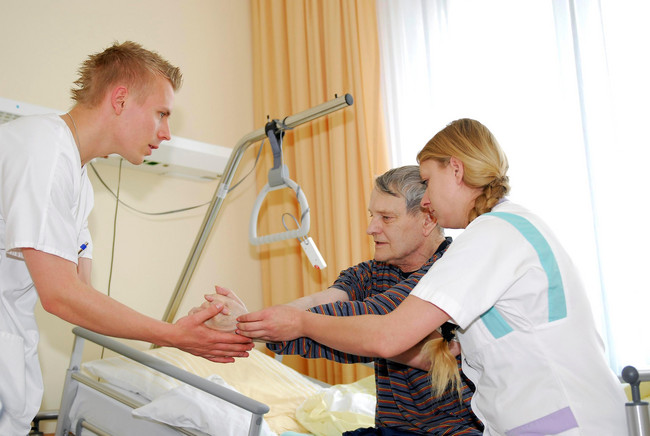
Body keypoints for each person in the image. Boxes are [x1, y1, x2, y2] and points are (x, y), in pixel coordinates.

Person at [237, 119, 628, 435]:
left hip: (564, 421)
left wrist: (297, 323)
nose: (426, 199)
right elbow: (440, 348)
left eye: (428, 180)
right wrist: (256, 323)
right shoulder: (504, 229)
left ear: (455, 169)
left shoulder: (489, 236)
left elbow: (387, 335)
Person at [0, 41, 253, 435]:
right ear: (119, 100)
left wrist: (190, 325)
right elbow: (60, 296)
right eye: (161, 114)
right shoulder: (43, 151)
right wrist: (174, 336)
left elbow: (81, 295)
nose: (166, 133)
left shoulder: (75, 178)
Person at [203, 166, 482, 435]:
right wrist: (247, 321)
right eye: (372, 215)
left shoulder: (447, 271)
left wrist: (254, 324)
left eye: (386, 218)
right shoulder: (375, 271)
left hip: (454, 429)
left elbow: (374, 322)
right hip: (392, 428)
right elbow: (319, 303)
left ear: (428, 220)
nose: (371, 228)